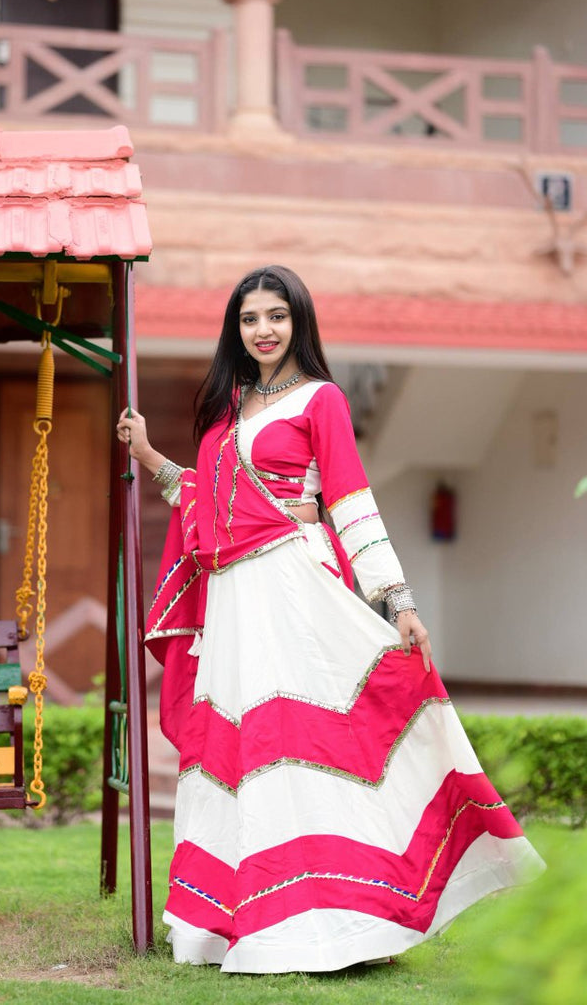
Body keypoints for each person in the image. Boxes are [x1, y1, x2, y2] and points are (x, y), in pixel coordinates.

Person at [116, 265, 543, 975]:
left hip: (292, 591)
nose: (263, 330)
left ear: (298, 322)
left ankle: (331, 923)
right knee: (240, 754)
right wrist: (152, 456)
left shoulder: (323, 401)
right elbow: (209, 507)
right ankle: (229, 925)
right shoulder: (227, 413)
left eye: (276, 316)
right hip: (234, 604)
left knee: (306, 745)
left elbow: (350, 501)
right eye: (250, 318)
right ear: (236, 328)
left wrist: (399, 599)